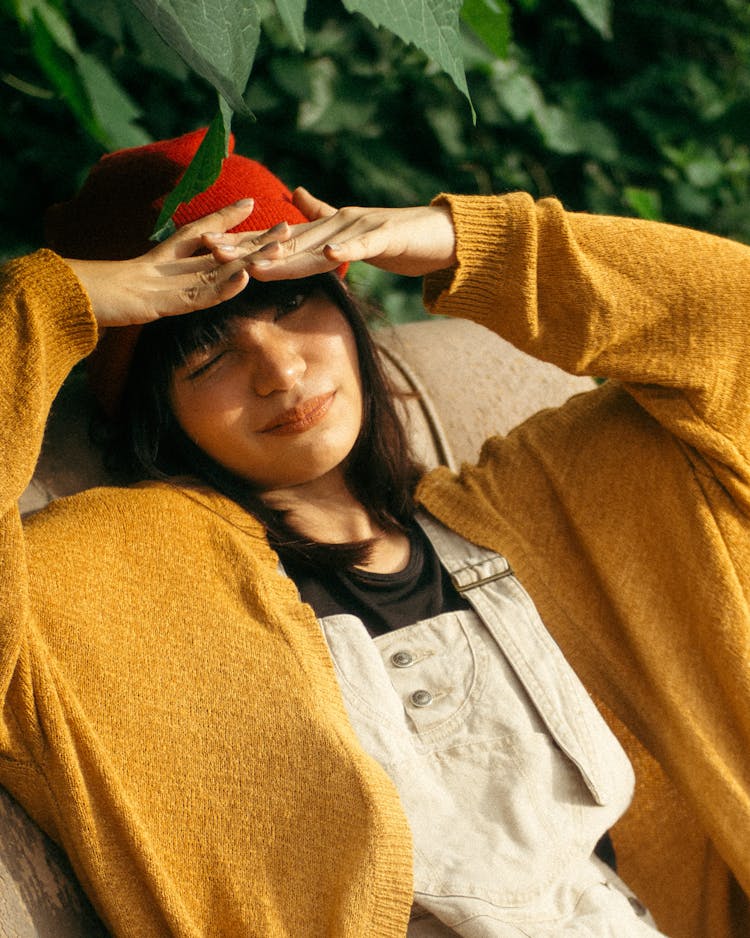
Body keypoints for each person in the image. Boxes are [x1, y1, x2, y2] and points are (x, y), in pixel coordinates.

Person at [1, 128, 748, 938]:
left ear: (347, 305)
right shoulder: (101, 581)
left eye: (291, 301)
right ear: (151, 405)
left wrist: (466, 241)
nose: (279, 371)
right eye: (206, 350)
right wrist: (49, 302)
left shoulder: (548, 503)